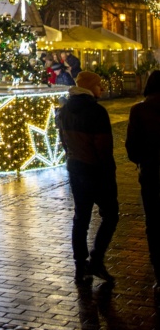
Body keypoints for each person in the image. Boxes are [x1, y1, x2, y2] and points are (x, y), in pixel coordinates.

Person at [57, 70, 118, 285]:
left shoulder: (63, 111)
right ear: (90, 87)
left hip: (75, 169)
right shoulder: (96, 111)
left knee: (81, 217)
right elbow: (104, 149)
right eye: (99, 84)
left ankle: (80, 264)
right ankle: (97, 259)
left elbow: (64, 142)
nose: (101, 88)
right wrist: (109, 175)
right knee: (111, 215)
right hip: (96, 170)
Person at [125, 69, 160, 292]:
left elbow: (131, 147)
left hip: (150, 173)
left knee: (154, 222)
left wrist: (141, 160)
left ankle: (159, 270)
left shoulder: (139, 110)